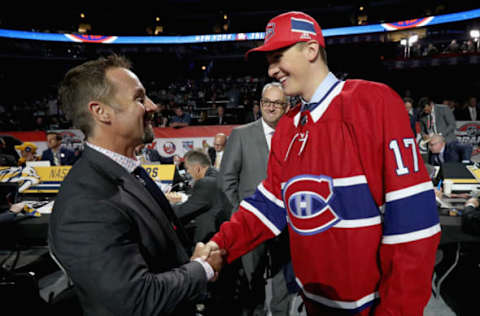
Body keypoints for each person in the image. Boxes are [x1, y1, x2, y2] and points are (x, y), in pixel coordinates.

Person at [203, 11, 441, 315]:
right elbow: (270, 203)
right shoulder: (288, 126)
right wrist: (221, 244)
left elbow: (414, 227)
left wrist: (398, 310)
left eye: (278, 57)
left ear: (311, 49)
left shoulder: (373, 103)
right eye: (269, 62)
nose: (272, 70)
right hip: (314, 303)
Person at [48, 55, 225, 316]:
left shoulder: (126, 172)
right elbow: (136, 300)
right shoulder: (88, 201)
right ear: (101, 112)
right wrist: (202, 268)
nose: (153, 106)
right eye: (140, 99)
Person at [219, 82, 293, 316]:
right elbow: (226, 181)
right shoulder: (241, 134)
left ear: (286, 106)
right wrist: (240, 215)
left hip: (285, 223)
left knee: (283, 277)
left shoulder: (295, 135)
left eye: (277, 103)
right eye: (267, 102)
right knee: (253, 280)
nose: (271, 107)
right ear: (260, 104)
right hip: (251, 223)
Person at [167, 149, 231, 244]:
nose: (187, 172)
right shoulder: (216, 175)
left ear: (197, 168)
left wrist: (162, 206)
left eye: (187, 168)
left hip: (210, 240)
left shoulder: (205, 182)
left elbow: (182, 212)